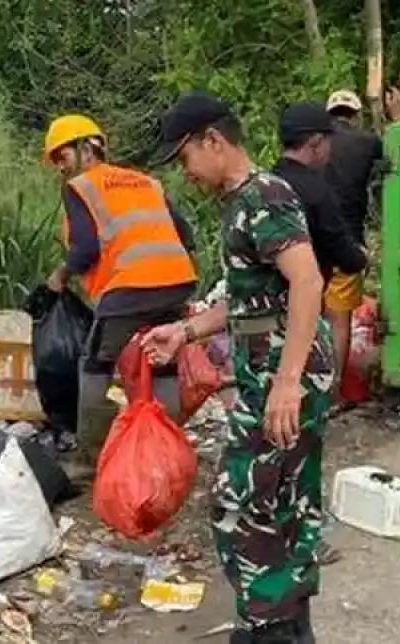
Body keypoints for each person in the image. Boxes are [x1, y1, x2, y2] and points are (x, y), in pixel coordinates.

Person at [139, 93, 334, 644]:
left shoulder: (265, 195)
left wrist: (287, 384)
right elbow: (250, 298)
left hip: (285, 370)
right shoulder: (241, 202)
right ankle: (281, 624)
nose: (185, 172)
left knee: (241, 502)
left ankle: (269, 624)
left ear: (213, 141)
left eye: (185, 157)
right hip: (267, 367)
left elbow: (308, 281)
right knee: (282, 500)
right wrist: (185, 332)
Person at [41, 113, 199, 457]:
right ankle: (167, 450)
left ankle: (89, 458)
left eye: (62, 157)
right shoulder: (145, 182)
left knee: (95, 362)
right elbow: (186, 235)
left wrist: (58, 277)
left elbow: (85, 249)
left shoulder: (81, 187)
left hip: (130, 287)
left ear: (85, 149)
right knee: (163, 361)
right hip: (177, 281)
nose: (60, 167)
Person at [273, 102, 368, 392]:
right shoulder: (316, 191)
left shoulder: (266, 183)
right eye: (328, 142)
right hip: (300, 313)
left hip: (262, 321)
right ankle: (332, 390)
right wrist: (361, 258)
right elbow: (343, 252)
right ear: (315, 144)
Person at [323, 89, 384, 390]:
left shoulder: (314, 144)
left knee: (305, 316)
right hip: (347, 245)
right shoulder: (368, 143)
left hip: (310, 244)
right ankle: (333, 387)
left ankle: (308, 384)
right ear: (357, 115)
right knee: (340, 320)